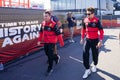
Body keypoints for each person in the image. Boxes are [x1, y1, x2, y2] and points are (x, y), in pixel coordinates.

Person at [80, 7, 104, 79]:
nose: (87, 15)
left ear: (93, 14)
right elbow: (83, 30)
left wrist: (100, 41)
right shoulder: (85, 20)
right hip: (87, 40)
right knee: (85, 53)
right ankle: (87, 69)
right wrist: (82, 38)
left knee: (95, 54)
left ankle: (95, 65)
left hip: (95, 40)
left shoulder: (97, 21)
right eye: (86, 13)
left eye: (89, 14)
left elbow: (101, 31)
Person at [38, 11, 64, 76]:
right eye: (44, 16)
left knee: (50, 55)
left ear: (50, 16)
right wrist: (39, 40)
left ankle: (50, 68)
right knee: (46, 53)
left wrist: (61, 42)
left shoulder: (53, 24)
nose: (45, 17)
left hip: (52, 42)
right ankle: (56, 57)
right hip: (46, 42)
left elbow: (59, 34)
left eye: (46, 16)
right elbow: (41, 33)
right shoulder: (43, 23)